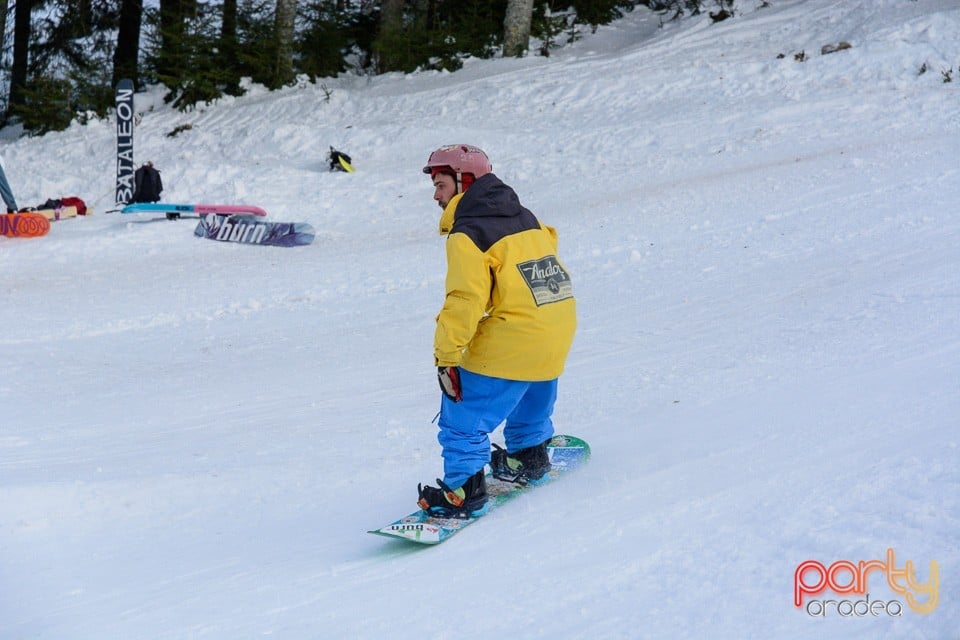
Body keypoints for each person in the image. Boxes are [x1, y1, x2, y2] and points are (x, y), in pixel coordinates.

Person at [416, 144, 577, 518]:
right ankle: (529, 457)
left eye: (440, 185)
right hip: (556, 329)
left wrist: (447, 359)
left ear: (463, 182)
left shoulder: (468, 233)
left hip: (518, 334)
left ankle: (463, 492)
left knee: (463, 415)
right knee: (527, 388)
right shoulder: (527, 217)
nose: (436, 196)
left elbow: (464, 301)